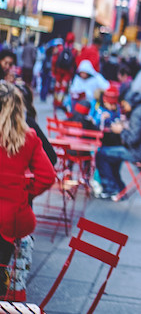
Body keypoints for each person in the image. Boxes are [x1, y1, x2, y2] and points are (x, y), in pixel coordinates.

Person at [0, 81, 56, 298]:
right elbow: (47, 176)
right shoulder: (28, 136)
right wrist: (25, 191)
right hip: (10, 218)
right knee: (2, 269)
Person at [94, 90, 141, 199]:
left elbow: (132, 139)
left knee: (102, 154)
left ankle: (110, 188)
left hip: (138, 152)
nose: (123, 106)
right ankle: (118, 186)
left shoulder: (137, 114)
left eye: (124, 104)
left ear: (130, 102)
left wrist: (121, 130)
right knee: (111, 153)